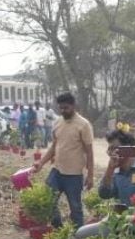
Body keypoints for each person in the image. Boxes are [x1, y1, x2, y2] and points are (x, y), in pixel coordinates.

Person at [32, 92, 93, 228]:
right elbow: (54, 146)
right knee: (48, 201)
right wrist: (41, 163)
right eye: (61, 108)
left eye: (66, 108)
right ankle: (59, 230)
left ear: (73, 106)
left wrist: (90, 175)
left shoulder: (83, 125)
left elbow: (89, 151)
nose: (63, 111)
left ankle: (79, 236)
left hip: (74, 175)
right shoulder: (58, 122)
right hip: (57, 171)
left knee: (75, 208)